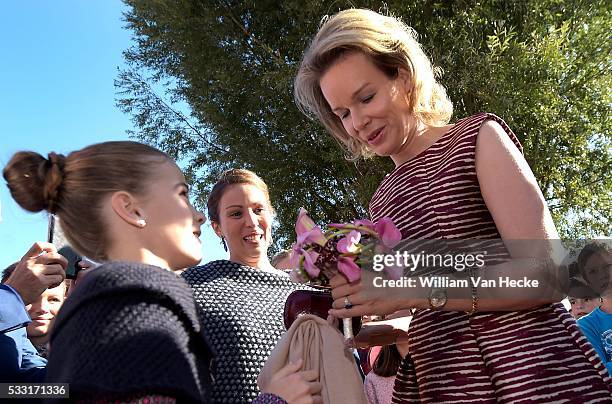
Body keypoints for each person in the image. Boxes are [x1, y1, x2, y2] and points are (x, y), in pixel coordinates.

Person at [294, 8, 611, 401]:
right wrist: (383, 320)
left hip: (531, 374)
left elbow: (548, 274)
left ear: (404, 77)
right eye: (343, 113)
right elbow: (431, 302)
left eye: (366, 97)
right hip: (443, 381)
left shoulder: (478, 138)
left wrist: (419, 289)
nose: (357, 122)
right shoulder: (381, 199)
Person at [3, 142, 321, 403]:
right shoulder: (135, 312)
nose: (196, 215)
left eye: (258, 209)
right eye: (181, 194)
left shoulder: (127, 303)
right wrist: (276, 400)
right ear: (131, 210)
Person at [182, 169, 317, 403]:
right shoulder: (194, 286)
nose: (251, 222)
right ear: (217, 227)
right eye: (236, 214)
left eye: (258, 210)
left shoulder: (308, 291)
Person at [0, 244, 66, 383]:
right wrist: (13, 294)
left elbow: (32, 389)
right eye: (31, 297)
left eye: (54, 299)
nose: (42, 308)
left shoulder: (16, 339)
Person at [577, 241, 612, 376]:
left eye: (608, 266)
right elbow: (601, 372)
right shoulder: (585, 326)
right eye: (593, 271)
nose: (602, 275)